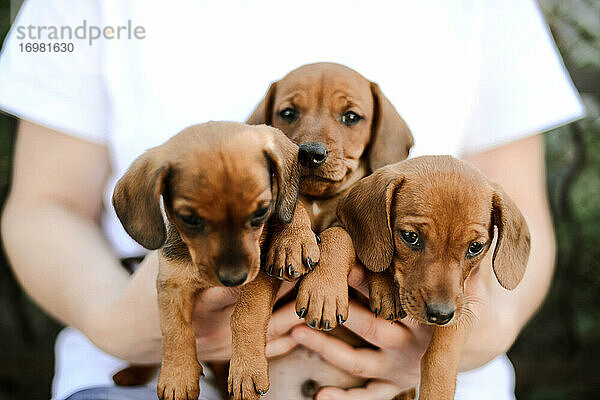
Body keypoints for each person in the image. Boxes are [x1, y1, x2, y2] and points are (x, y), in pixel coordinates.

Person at [0, 1, 583, 399]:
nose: (313, 142)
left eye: (349, 118)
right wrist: (117, 322)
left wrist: (469, 339)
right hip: (153, 375)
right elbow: (43, 204)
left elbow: (519, 221)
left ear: (376, 127)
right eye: (290, 117)